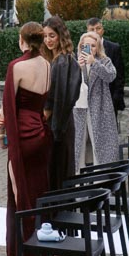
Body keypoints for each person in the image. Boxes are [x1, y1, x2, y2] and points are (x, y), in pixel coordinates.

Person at [0, 21, 53, 256]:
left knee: (22, 200)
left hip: (22, 138)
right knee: (38, 196)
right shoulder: (47, 65)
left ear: (22, 40)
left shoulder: (16, 66)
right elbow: (43, 104)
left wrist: (2, 137)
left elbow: (9, 107)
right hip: (41, 135)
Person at [41, 16, 81, 191]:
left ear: (60, 36)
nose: (48, 40)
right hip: (62, 123)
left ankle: (57, 214)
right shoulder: (60, 59)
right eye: (45, 36)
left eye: (52, 35)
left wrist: (45, 118)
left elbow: (58, 97)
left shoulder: (62, 62)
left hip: (58, 124)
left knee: (58, 169)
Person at [72, 31, 120, 166]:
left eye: (93, 45)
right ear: (80, 46)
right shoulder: (74, 61)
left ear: (98, 47)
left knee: (101, 148)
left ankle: (102, 180)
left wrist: (94, 63)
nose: (89, 48)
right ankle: (78, 180)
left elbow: (111, 76)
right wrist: (79, 67)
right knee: (78, 148)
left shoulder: (104, 61)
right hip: (79, 111)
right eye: (85, 45)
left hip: (99, 110)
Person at [86, 17, 125, 116]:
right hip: (89, 100)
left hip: (110, 97)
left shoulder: (114, 48)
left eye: (98, 28)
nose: (95, 32)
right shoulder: (84, 49)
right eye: (92, 29)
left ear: (102, 30)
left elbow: (119, 75)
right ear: (87, 31)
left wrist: (116, 98)